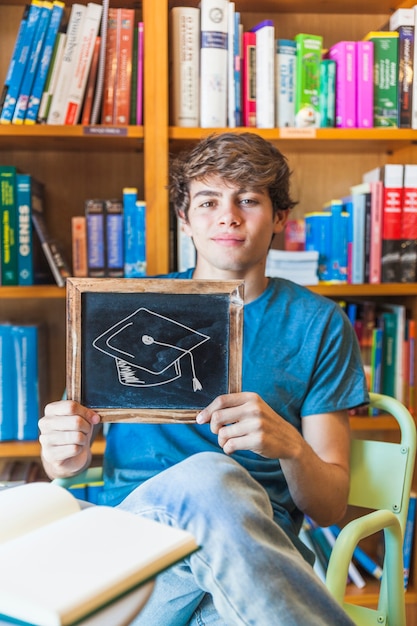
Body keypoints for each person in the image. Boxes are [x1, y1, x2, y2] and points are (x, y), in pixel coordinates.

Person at [39, 132, 368, 626]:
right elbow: (61, 464)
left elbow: (329, 506)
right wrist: (62, 450)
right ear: (185, 219)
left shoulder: (316, 323)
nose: (228, 215)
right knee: (209, 475)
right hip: (134, 556)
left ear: (279, 217)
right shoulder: (120, 308)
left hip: (251, 561)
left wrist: (292, 447)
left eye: (249, 199)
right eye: (209, 200)